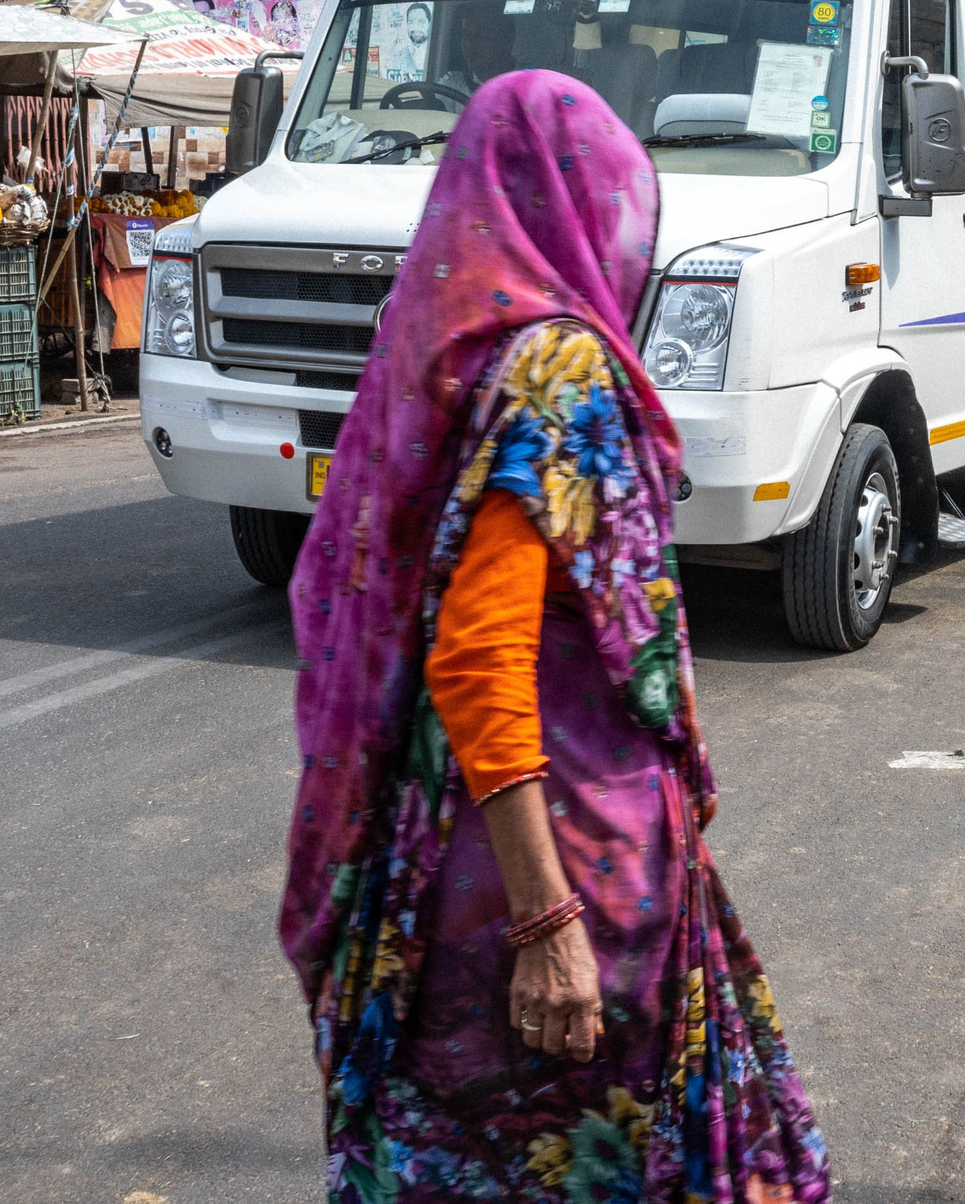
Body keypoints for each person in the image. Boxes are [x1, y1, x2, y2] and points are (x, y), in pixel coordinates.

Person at [280, 71, 829, 1201]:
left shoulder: (452, 355)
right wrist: (547, 919)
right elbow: (478, 654)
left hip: (460, 848)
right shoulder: (558, 370)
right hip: (557, 864)